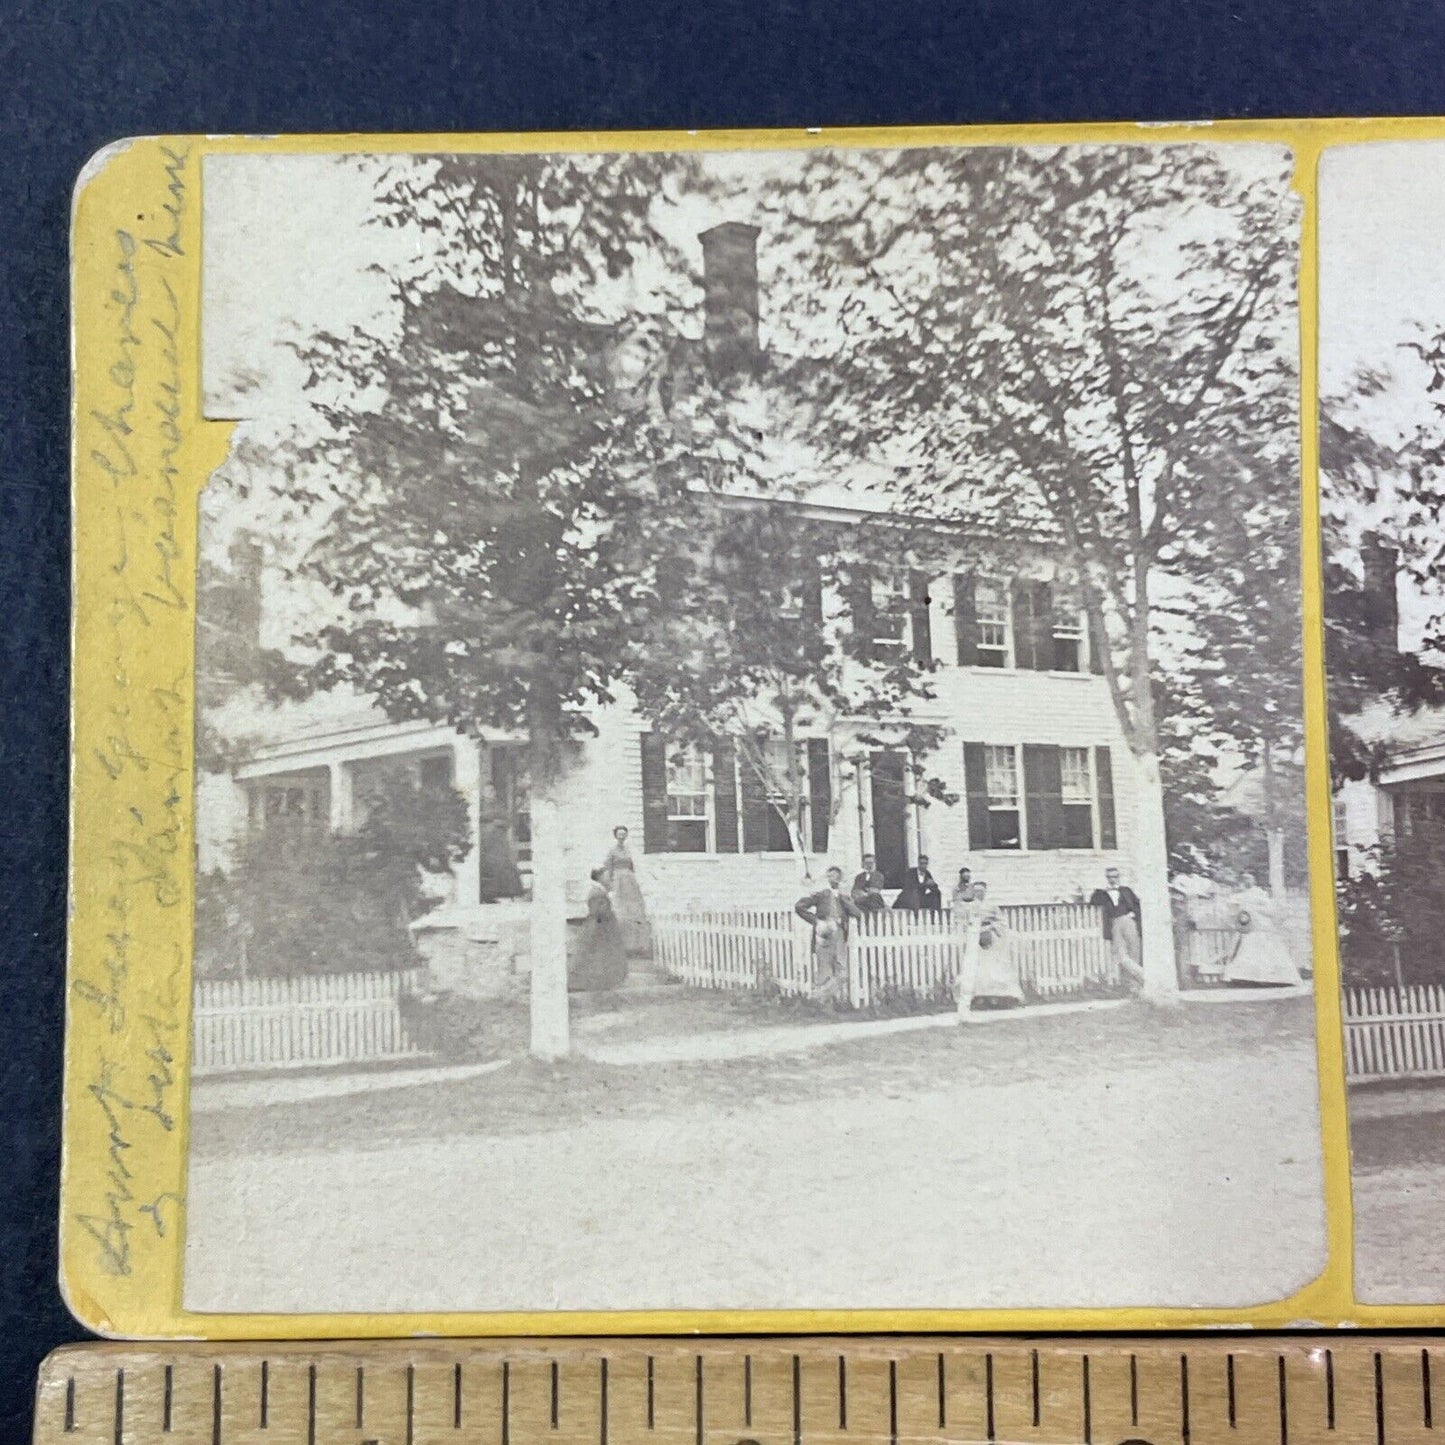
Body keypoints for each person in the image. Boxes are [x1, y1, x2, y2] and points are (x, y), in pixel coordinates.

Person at [1222, 871, 1304, 987]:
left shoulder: (1246, 896)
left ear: (1244, 884)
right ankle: (1262, 978)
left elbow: (1232, 908)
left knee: (1255, 951)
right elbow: (1270, 910)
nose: (1239, 887)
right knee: (1261, 952)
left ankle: (1253, 978)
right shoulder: (1260, 894)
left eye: (1240, 884)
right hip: (1260, 928)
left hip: (1257, 928)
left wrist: (1252, 909)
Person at [795, 865, 862, 1002]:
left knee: (842, 971)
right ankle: (822, 1002)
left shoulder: (844, 896)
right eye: (830, 876)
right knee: (824, 968)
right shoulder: (821, 894)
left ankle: (824, 996)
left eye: (836, 876)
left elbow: (856, 913)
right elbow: (799, 906)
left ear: (840, 879)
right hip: (824, 932)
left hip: (839, 932)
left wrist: (844, 899)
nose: (833, 879)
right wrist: (817, 921)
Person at [956, 879, 1022, 1014]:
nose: (979, 894)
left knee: (992, 967)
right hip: (975, 939)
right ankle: (979, 997)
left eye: (981, 891)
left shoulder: (992, 906)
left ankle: (996, 997)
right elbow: (963, 922)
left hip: (990, 939)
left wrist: (991, 928)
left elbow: (1001, 922)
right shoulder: (969, 907)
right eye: (977, 891)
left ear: (985, 892)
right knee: (977, 968)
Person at [568, 868, 628, 991]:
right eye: (606, 876)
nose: (609, 878)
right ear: (599, 877)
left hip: (603, 926)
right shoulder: (597, 892)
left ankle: (603, 982)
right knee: (597, 956)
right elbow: (598, 911)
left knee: (604, 956)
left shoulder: (600, 891)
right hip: (599, 927)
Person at [601, 824, 650, 958]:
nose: (621, 836)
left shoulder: (629, 850)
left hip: (630, 880)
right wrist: (610, 886)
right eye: (619, 834)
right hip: (618, 880)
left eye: (623, 834)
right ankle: (620, 947)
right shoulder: (612, 851)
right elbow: (608, 869)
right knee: (620, 910)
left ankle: (636, 946)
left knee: (634, 910)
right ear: (615, 836)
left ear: (626, 836)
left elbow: (633, 866)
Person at [1089, 866, 1143, 988]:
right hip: (1114, 923)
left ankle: (1133, 985)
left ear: (1119, 877)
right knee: (1120, 954)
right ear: (1106, 878)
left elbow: (1136, 905)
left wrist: (1133, 915)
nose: (1112, 879)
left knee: (1134, 951)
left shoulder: (1126, 890)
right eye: (1109, 877)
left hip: (1128, 921)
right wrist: (1099, 890)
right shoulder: (1102, 893)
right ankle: (1142, 975)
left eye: (1115, 877)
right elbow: (1093, 902)